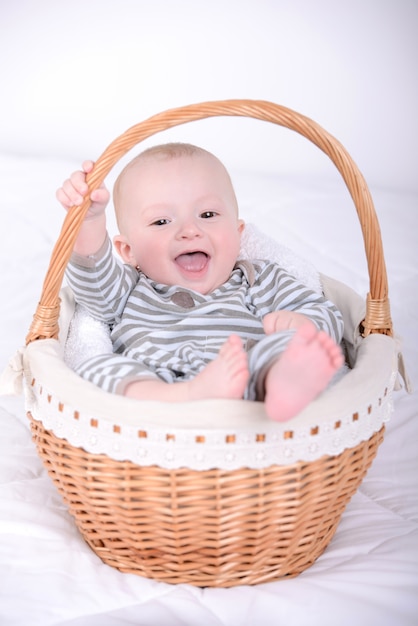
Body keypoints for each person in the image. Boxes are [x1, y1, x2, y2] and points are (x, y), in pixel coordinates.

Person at [57, 142, 344, 422]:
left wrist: (301, 325)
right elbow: (93, 281)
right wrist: (89, 220)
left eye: (207, 214)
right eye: (161, 222)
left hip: (247, 380)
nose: (190, 230)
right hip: (156, 389)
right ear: (129, 251)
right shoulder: (128, 288)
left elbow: (321, 307)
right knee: (93, 369)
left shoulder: (259, 278)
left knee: (284, 349)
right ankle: (187, 395)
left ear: (238, 232)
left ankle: (286, 385)